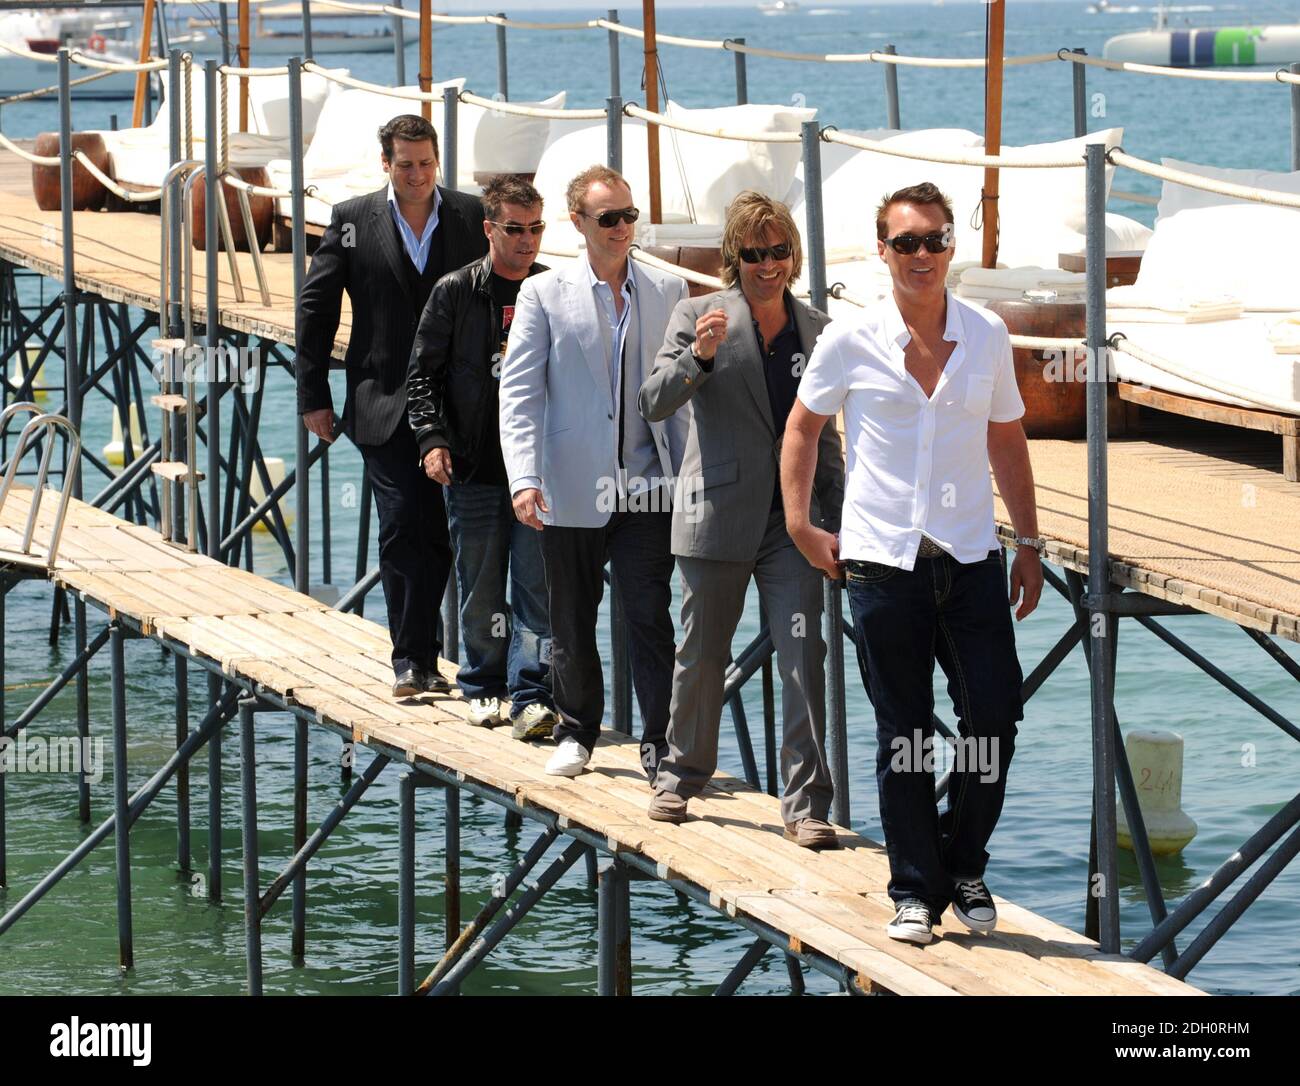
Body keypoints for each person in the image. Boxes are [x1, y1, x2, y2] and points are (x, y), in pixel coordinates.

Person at [782, 182, 1043, 943]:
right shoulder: (849, 339)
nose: (921, 255)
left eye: (934, 240)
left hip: (969, 558)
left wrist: (1026, 543)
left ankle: (964, 862)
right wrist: (800, 523)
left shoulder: (988, 334)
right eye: (906, 243)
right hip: (880, 563)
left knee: (994, 715)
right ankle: (916, 893)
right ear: (882, 250)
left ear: (951, 245)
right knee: (904, 735)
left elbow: (1007, 439)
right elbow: (803, 430)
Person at [639, 192, 845, 850]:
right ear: (734, 257)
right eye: (753, 253)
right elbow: (652, 402)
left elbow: (827, 437)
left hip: (795, 523)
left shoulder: (816, 328)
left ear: (794, 255)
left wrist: (838, 516)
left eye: (778, 251)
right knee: (700, 655)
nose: (767, 264)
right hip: (716, 515)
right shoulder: (697, 314)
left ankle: (807, 803)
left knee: (801, 657)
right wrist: (697, 359)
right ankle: (679, 774)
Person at [499, 164, 688, 780]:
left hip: (647, 484)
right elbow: (521, 394)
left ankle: (660, 747)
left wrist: (690, 478)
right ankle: (577, 731)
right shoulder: (543, 293)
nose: (622, 228)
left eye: (629, 216)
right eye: (608, 218)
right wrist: (524, 478)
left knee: (649, 616)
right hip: (571, 484)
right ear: (578, 223)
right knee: (571, 617)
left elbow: (682, 393)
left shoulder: (667, 290)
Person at [296, 115, 487, 698]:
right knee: (405, 527)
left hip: (459, 408)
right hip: (381, 401)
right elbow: (316, 307)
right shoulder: (352, 220)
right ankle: (412, 660)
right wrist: (313, 396)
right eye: (405, 164)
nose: (418, 174)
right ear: (386, 163)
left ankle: (458, 661)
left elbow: (507, 286)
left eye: (426, 163)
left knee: (452, 535)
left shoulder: (469, 216)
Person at [407, 175, 558, 741]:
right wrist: (432, 440)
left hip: (536, 471)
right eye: (515, 229)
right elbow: (421, 375)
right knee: (480, 585)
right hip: (472, 464)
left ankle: (533, 694)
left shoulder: (551, 289)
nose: (528, 240)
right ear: (489, 229)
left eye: (536, 228)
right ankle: (482, 685)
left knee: (537, 588)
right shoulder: (455, 291)